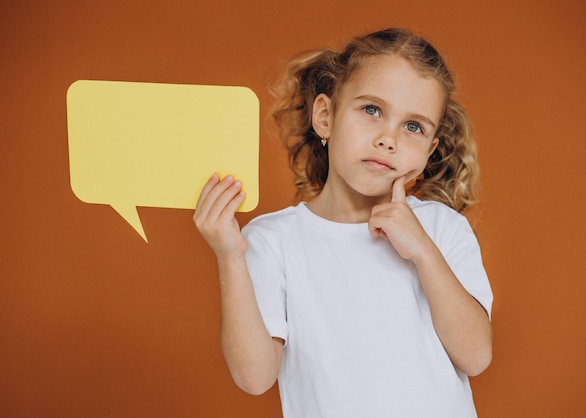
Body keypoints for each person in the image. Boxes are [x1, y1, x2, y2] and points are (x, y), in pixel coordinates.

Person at [194, 28, 493, 417]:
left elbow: (475, 356)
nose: (389, 139)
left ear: (429, 150)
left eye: (413, 126)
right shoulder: (272, 241)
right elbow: (254, 377)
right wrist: (229, 257)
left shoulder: (442, 229)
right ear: (325, 116)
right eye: (372, 110)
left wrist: (422, 251)